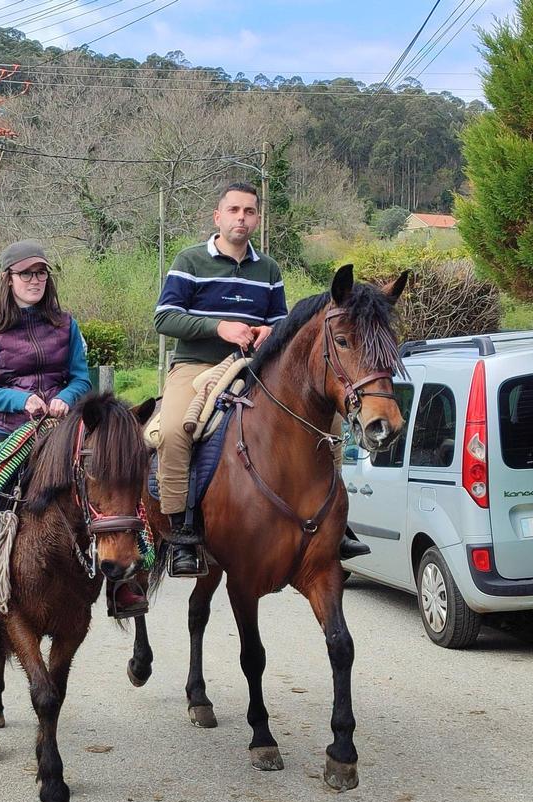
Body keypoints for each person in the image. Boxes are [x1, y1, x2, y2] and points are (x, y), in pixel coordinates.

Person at [153, 182, 370, 577]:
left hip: (255, 367)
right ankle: (181, 530)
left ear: (257, 218)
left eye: (249, 211)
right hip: (197, 366)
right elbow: (164, 318)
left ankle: (335, 523)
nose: (242, 218)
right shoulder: (189, 261)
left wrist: (273, 330)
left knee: (330, 426)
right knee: (171, 432)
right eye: (233, 210)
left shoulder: (267, 268)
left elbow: (280, 323)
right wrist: (221, 328)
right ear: (218, 216)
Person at [0, 240, 93, 622]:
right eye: (26, 273)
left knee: (111, 474)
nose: (35, 280)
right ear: (8, 279)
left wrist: (67, 397)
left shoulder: (66, 324)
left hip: (60, 427)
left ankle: (128, 580)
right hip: (6, 428)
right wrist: (20, 400)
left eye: (40, 273)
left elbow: (81, 379)